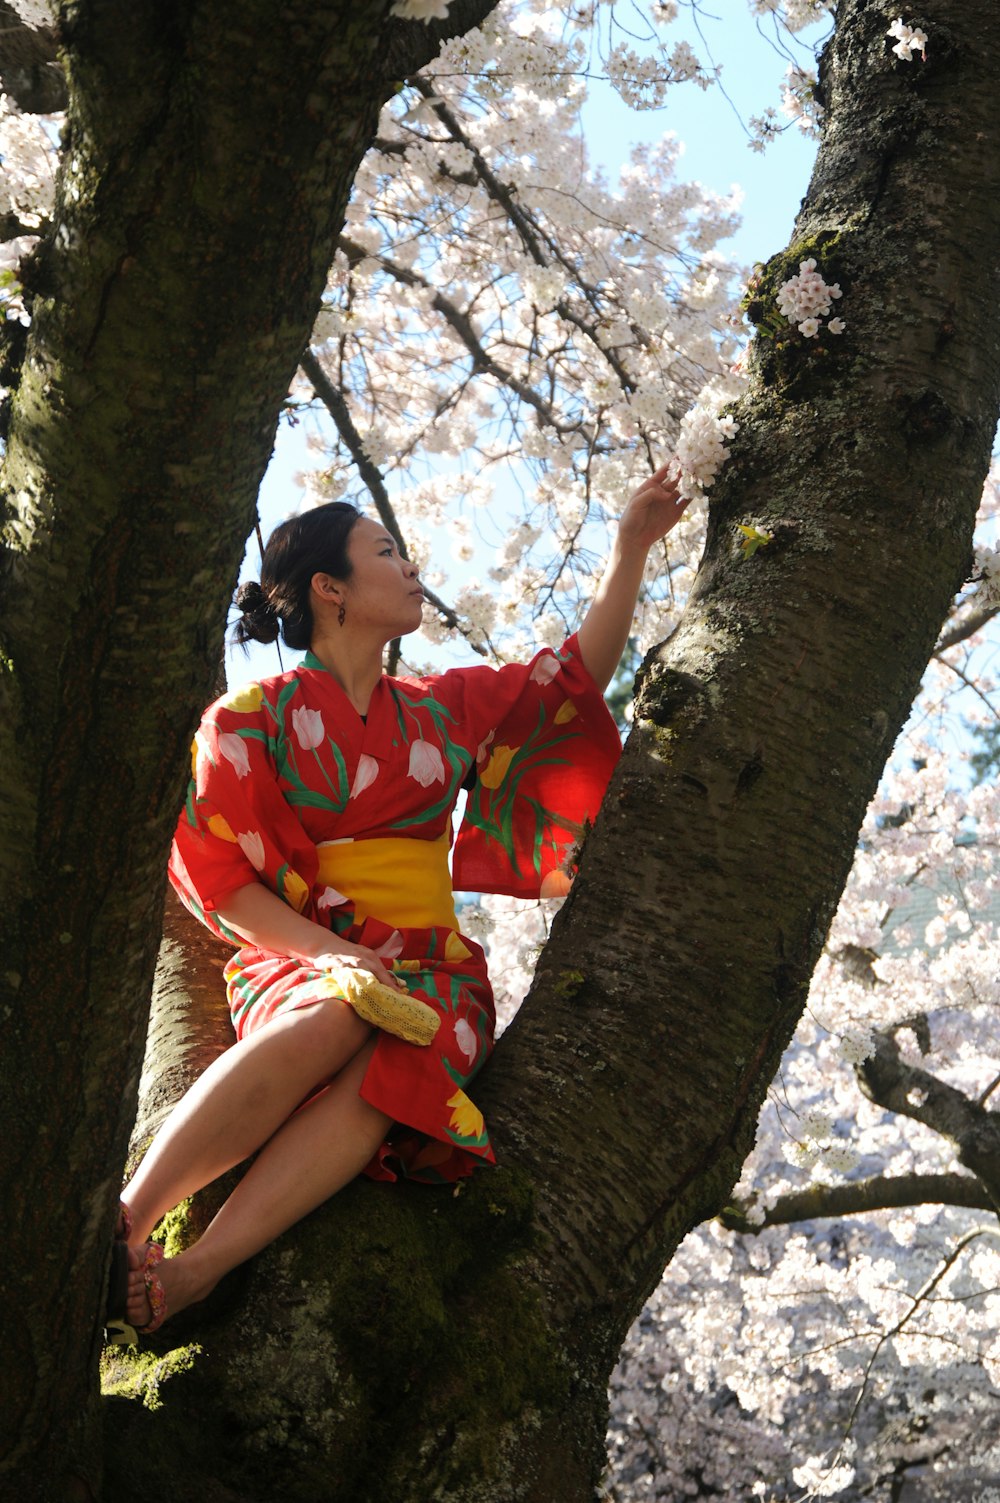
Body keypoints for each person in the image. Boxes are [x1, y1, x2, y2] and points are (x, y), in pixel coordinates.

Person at [107, 463, 689, 1337]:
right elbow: (221, 881)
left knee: (396, 1055)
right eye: (388, 551)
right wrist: (326, 952)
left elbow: (566, 682)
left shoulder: (441, 709)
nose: (412, 567)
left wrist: (629, 548)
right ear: (329, 587)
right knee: (346, 1011)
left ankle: (196, 1271)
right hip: (301, 955)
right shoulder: (245, 719)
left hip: (432, 973)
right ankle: (127, 1220)